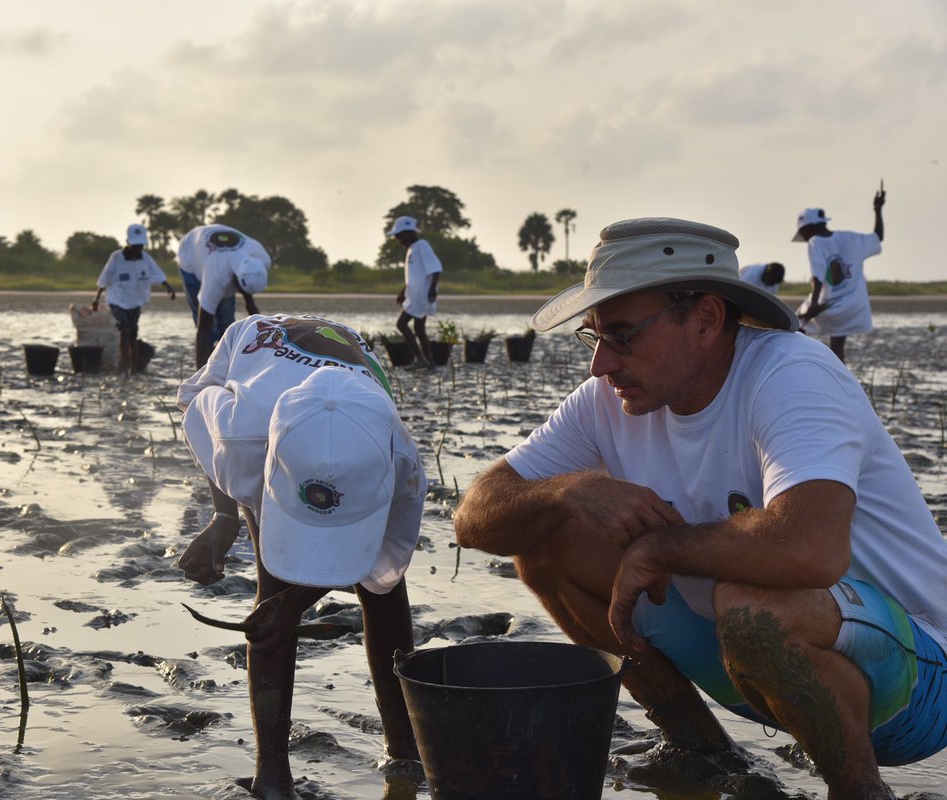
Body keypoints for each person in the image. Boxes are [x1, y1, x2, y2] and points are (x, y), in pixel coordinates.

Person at [453, 217, 947, 800]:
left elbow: (810, 551)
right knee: (543, 542)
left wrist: (660, 547)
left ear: (706, 319)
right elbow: (474, 517)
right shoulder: (606, 401)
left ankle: (860, 791)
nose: (600, 364)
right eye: (594, 337)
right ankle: (700, 749)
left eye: (622, 334)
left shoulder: (791, 374)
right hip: (752, 662)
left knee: (748, 599)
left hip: (915, 681)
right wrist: (569, 489)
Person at [176, 313, 425, 800]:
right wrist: (224, 519)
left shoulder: (399, 459)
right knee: (272, 591)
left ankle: (406, 749)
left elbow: (384, 563)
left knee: (386, 590)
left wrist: (298, 602)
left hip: (354, 406)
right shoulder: (241, 439)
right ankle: (272, 773)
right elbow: (193, 405)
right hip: (256, 382)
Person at [793, 186, 886, 361]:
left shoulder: (815, 242)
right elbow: (877, 237)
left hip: (828, 305)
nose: (804, 238)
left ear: (809, 228)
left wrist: (813, 305)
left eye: (803, 233)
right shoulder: (850, 238)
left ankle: (800, 365)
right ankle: (839, 378)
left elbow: (817, 278)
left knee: (795, 328)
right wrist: (878, 209)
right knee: (837, 349)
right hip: (852, 307)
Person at [176, 223, 271, 367]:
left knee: (227, 328)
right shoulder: (216, 276)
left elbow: (249, 300)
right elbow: (203, 331)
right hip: (190, 250)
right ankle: (206, 370)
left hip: (216, 251)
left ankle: (224, 366)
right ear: (234, 278)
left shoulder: (262, 258)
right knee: (210, 330)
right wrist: (200, 384)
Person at [92, 223, 176, 376]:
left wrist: (168, 287)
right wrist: (96, 299)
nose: (138, 249)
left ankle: (133, 370)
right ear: (128, 243)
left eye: (141, 246)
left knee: (133, 333)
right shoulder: (116, 258)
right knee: (124, 329)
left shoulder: (145, 258)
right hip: (117, 300)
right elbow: (104, 278)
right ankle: (123, 368)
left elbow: (157, 273)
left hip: (135, 301)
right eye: (136, 245)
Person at [388, 216, 442, 369]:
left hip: (422, 296)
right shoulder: (412, 249)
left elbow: (436, 268)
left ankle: (420, 358)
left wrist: (432, 290)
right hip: (415, 295)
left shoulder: (422, 246)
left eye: (399, 235)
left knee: (401, 324)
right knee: (419, 329)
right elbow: (414, 276)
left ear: (409, 233)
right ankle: (430, 364)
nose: (398, 239)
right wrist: (403, 291)